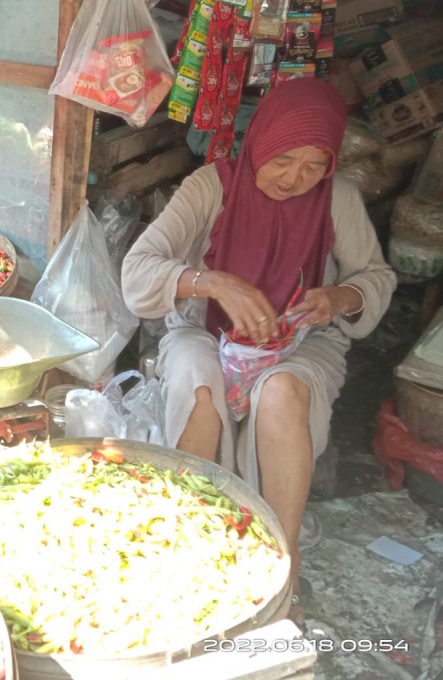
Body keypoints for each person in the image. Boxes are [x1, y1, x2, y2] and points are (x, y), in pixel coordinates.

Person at [121, 79, 396, 621]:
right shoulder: (212, 186)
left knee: (282, 391)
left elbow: (375, 276)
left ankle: (282, 563)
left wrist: (339, 297)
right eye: (283, 160)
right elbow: (139, 269)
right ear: (261, 141)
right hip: (205, 330)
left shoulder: (337, 198)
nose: (295, 178)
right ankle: (192, 539)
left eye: (314, 166)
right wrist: (211, 283)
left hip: (301, 340)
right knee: (199, 383)